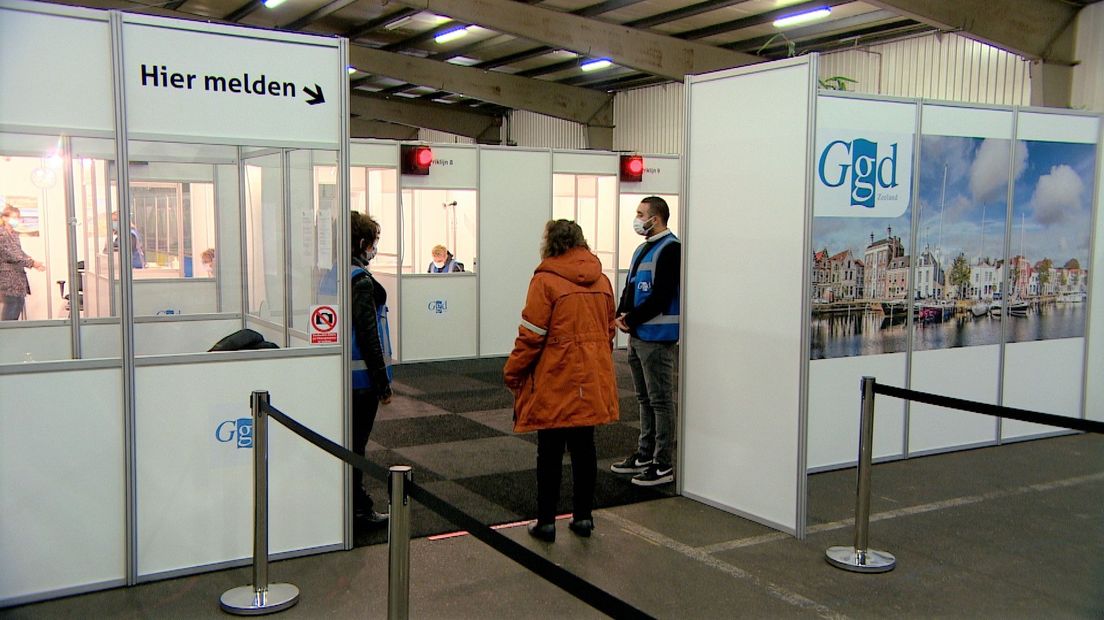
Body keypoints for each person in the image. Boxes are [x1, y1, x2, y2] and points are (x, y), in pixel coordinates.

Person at [503, 219, 618, 542]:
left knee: (549, 453)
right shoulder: (602, 281)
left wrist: (512, 371)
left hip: (555, 380)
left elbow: (531, 336)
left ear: (550, 243)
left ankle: (546, 522)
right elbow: (609, 331)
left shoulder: (546, 281)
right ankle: (583, 518)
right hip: (590, 382)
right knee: (585, 449)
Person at [610, 196, 681, 487]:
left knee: (661, 401)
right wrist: (620, 315)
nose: (637, 219)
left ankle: (663, 463)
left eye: (641, 214)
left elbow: (661, 296)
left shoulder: (671, 249)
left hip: (658, 339)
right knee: (644, 399)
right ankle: (644, 453)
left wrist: (632, 319)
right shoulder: (643, 249)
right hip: (639, 337)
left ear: (657, 218)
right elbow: (631, 288)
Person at [350, 211, 393, 528]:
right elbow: (369, 335)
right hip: (362, 378)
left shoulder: (334, 274)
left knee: (349, 442)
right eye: (373, 243)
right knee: (357, 445)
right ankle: (358, 508)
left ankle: (351, 503)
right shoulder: (360, 281)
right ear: (363, 243)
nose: (374, 250)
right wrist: (383, 384)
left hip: (342, 377)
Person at [0, 205, 46, 321]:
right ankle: (6, 336)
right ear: (5, 218)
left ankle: (12, 335)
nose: (17, 220)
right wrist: (31, 263)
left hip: (18, 278)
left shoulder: (14, 234)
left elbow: (18, 252)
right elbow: (9, 255)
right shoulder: (1, 234)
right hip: (8, 278)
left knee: (18, 303)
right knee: (11, 307)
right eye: (14, 217)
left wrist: (31, 260)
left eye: (18, 217)